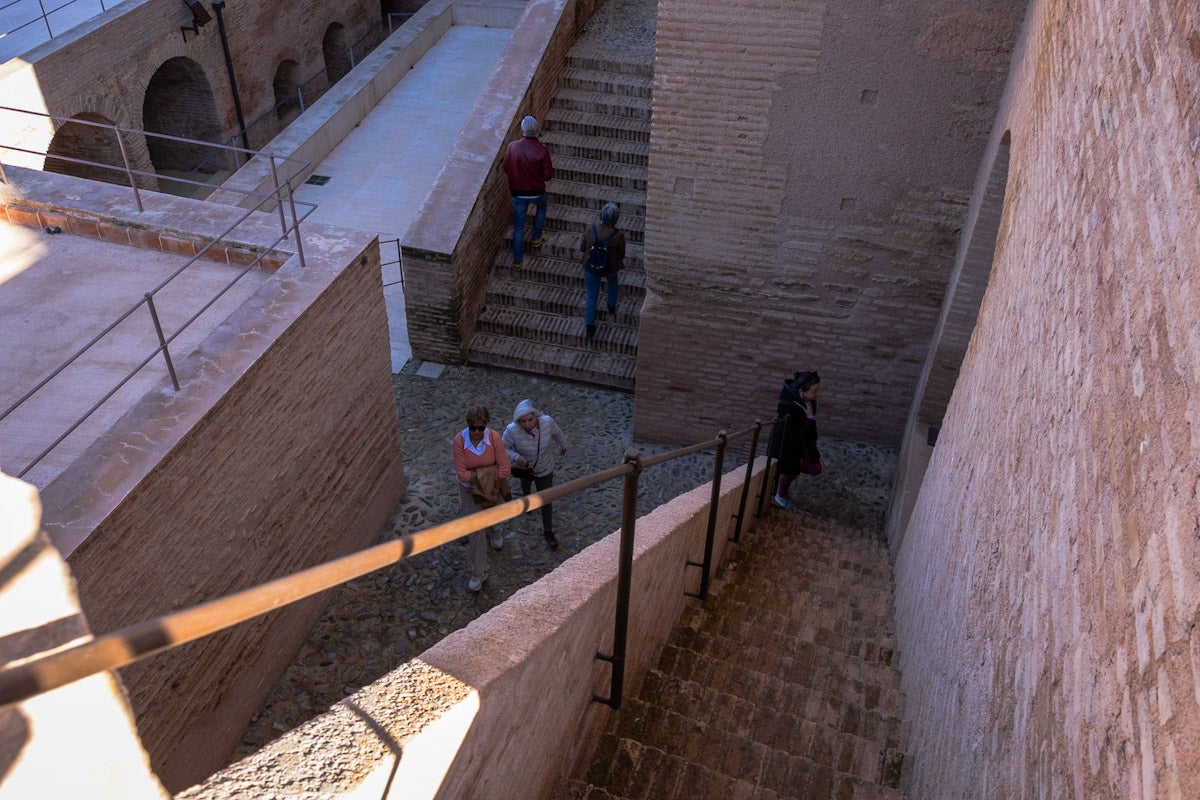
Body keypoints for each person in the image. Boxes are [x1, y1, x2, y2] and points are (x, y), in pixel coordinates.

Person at [452, 405, 512, 591]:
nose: (477, 432)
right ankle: (479, 572)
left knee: (488, 516)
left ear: (486, 426)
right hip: (470, 492)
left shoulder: (493, 438)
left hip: (491, 489)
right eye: (473, 428)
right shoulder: (459, 441)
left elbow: (505, 469)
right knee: (475, 532)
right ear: (468, 426)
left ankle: (493, 531)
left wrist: (479, 476)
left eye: (481, 427)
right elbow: (462, 474)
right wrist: (485, 475)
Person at [502, 399, 570, 549]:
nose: (527, 424)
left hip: (545, 468)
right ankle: (527, 505)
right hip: (525, 470)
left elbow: (557, 433)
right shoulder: (512, 430)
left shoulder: (547, 422)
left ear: (536, 416)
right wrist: (516, 457)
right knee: (526, 488)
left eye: (530, 420)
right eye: (523, 421)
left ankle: (548, 530)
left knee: (546, 499)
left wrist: (563, 445)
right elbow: (503, 447)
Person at [503, 114, 554, 269]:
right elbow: (548, 175)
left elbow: (506, 167)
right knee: (542, 207)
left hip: (518, 192)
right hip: (536, 190)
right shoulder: (542, 150)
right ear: (536, 130)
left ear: (522, 130)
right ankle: (537, 237)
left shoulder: (512, 147)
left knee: (519, 227)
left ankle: (517, 261)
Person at [768, 370, 821, 510]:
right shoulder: (787, 409)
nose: (816, 394)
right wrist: (810, 418)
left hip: (801, 444)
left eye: (817, 390)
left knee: (815, 468)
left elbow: (809, 433)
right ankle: (779, 494)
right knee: (790, 470)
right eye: (813, 391)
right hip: (787, 446)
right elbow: (796, 436)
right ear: (801, 391)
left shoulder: (808, 403)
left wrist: (810, 418)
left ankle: (781, 490)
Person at [579, 202, 626, 340]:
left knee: (591, 295)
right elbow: (621, 254)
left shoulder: (591, 229)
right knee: (612, 281)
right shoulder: (618, 235)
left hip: (591, 266)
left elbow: (582, 247)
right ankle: (611, 305)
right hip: (609, 266)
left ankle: (590, 326)